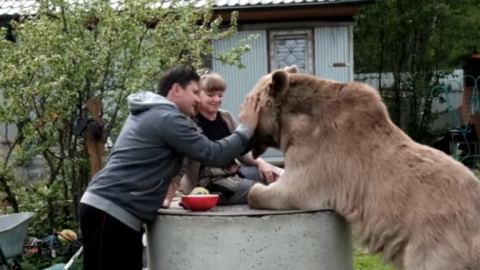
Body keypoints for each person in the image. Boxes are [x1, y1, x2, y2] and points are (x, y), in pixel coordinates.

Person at [78, 64, 260, 270]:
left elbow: (173, 161)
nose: (199, 99)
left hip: (115, 211)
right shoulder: (167, 117)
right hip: (111, 210)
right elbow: (212, 153)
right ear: (176, 90)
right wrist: (246, 127)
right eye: (195, 92)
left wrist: (164, 189)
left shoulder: (153, 113)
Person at [170, 70, 283, 206]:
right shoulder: (190, 122)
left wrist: (261, 163)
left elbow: (240, 149)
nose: (216, 100)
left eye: (220, 95)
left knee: (277, 176)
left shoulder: (225, 117)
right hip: (207, 182)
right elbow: (179, 162)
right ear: (197, 95)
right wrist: (170, 190)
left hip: (233, 171)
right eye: (210, 95)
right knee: (262, 190)